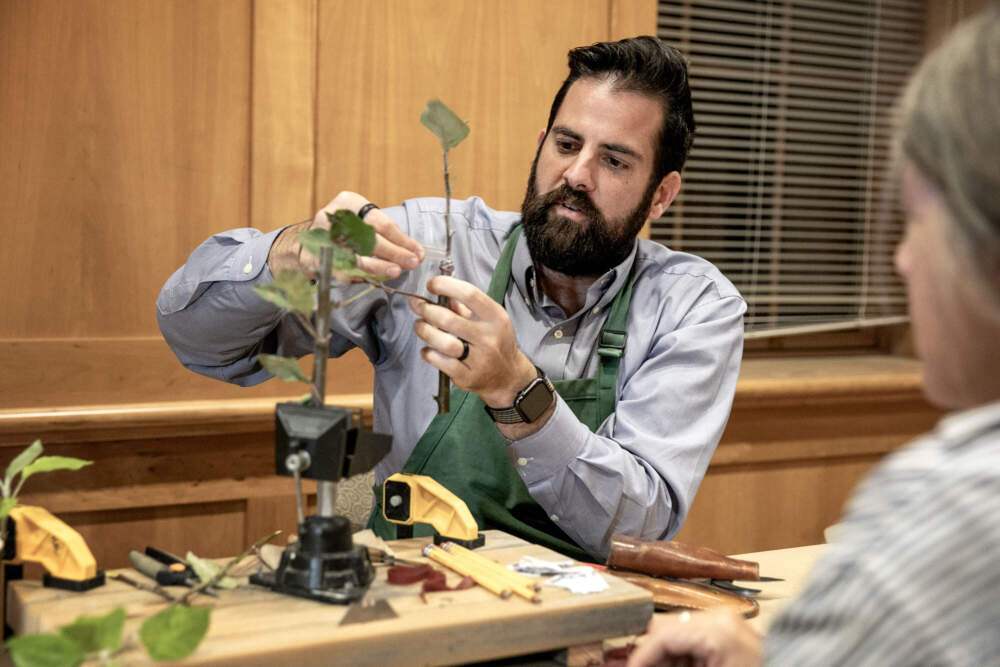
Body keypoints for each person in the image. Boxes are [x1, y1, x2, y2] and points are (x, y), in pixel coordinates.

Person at [157, 37, 745, 560]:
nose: (577, 174)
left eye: (614, 160)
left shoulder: (693, 307)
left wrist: (517, 392)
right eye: (567, 144)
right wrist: (294, 254)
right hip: (414, 594)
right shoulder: (429, 246)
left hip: (581, 617)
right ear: (542, 145)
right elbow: (197, 341)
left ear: (661, 195)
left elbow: (638, 526)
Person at [627, 7, 1000, 666]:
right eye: (566, 147)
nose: (903, 260)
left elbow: (638, 507)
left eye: (915, 219)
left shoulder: (941, 511)